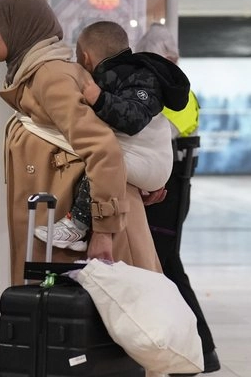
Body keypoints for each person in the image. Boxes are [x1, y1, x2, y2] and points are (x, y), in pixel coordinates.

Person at [0, 0, 172, 377]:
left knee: (114, 335)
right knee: (98, 336)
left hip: (86, 233)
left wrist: (104, 230)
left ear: (20, 29)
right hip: (67, 226)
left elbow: (104, 150)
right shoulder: (40, 74)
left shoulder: (49, 76)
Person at [36, 20, 188, 252]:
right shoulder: (124, 75)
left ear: (85, 57)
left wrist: (99, 98)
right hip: (151, 162)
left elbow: (134, 119)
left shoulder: (139, 77)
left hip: (151, 161)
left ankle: (76, 225)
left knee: (102, 161)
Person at [137, 25, 220, 375]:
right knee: (165, 265)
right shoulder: (179, 90)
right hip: (173, 189)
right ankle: (195, 349)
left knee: (167, 265)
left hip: (167, 192)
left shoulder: (171, 92)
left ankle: (200, 349)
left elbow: (153, 135)